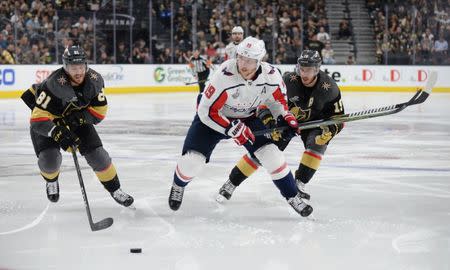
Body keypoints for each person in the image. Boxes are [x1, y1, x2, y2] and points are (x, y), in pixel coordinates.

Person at [167, 37, 313, 217]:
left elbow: (277, 103)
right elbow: (206, 111)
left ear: (260, 61)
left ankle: (292, 196)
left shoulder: (272, 76)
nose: (243, 64)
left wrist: (284, 116)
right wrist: (231, 128)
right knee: (192, 162)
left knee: (272, 154)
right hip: (213, 120)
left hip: (248, 118)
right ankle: (178, 185)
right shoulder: (224, 75)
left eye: (250, 60)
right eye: (241, 57)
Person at [217, 50, 345, 202]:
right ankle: (231, 183)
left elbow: (339, 118)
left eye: (309, 70)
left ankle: (299, 184)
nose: (304, 73)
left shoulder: (329, 87)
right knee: (262, 150)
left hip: (314, 122)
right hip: (285, 121)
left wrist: (330, 131)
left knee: (317, 144)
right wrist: (270, 123)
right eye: (302, 69)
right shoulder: (288, 80)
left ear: (317, 69)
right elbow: (264, 104)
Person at [20, 45, 134, 207]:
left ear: (86, 65)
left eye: (81, 67)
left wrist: (79, 119)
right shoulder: (53, 85)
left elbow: (99, 112)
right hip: (48, 122)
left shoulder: (94, 81)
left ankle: (115, 189)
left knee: (99, 157)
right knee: (49, 160)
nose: (78, 72)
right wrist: (56, 132)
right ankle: (51, 180)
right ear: (65, 68)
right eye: (73, 68)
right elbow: (37, 120)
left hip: (75, 119)